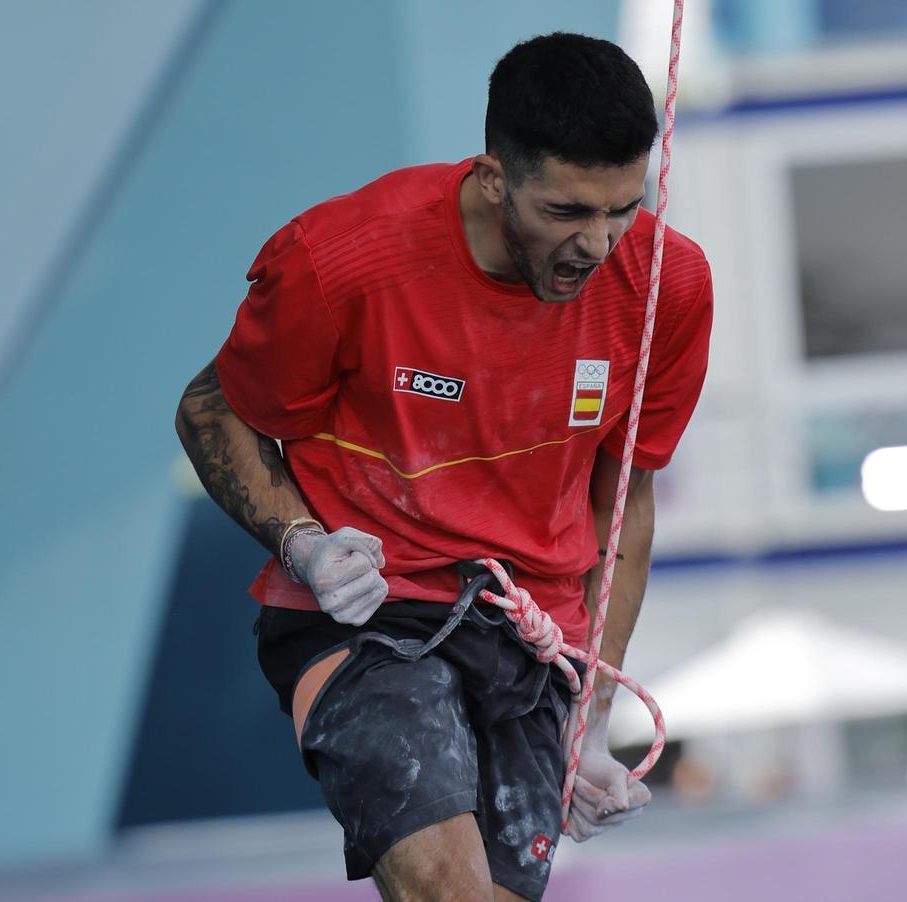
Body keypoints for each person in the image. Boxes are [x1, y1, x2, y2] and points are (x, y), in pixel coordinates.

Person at [175, 31, 713, 902]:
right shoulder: (342, 259)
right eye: (567, 212)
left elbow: (627, 504)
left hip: (535, 631)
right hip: (369, 617)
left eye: (622, 208)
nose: (600, 243)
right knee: (446, 890)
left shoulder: (668, 285)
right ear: (494, 176)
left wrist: (596, 711)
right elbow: (211, 410)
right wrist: (303, 544)